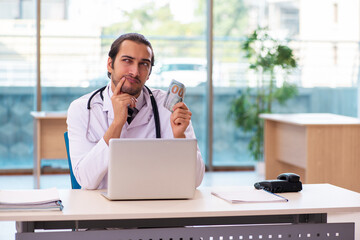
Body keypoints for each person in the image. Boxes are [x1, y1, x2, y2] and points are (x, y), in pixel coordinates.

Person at [67, 33, 205, 190]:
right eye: (127, 61)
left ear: (149, 74)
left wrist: (181, 138)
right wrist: (117, 123)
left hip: (156, 205)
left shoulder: (168, 107)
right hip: (103, 210)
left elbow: (195, 180)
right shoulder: (82, 109)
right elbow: (85, 180)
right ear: (110, 64)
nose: (135, 71)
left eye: (144, 64)